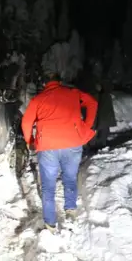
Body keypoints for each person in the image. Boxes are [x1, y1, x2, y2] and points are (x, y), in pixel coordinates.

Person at [21, 72, 98, 231]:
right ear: (60, 82)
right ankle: (70, 209)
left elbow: (26, 122)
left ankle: (50, 224)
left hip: (48, 146)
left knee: (48, 187)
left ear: (44, 84)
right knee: (70, 178)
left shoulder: (38, 99)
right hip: (72, 144)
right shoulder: (73, 94)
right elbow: (92, 103)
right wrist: (85, 127)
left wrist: (30, 141)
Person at [91, 81, 116, 151]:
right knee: (102, 132)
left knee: (101, 132)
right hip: (104, 118)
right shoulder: (106, 95)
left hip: (103, 118)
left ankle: (98, 146)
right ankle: (100, 145)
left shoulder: (101, 95)